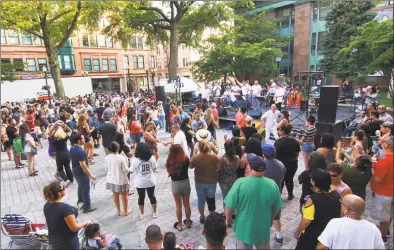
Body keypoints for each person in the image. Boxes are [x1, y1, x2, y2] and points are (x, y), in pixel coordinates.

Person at [225, 153, 282, 249]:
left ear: (250, 168)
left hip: (243, 229)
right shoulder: (272, 184)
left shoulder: (240, 182)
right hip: (263, 228)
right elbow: (277, 207)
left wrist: (227, 221)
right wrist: (270, 219)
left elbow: (229, 207)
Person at [294, 169, 341, 250]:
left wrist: (297, 232)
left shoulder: (312, 200)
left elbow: (306, 221)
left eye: (312, 179)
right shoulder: (336, 195)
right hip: (328, 234)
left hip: (312, 236)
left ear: (314, 182)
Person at [317, 194, 385, 249]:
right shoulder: (373, 229)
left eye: (341, 203)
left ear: (346, 209)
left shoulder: (335, 223)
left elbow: (322, 247)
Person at [43, 181, 89, 249]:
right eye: (63, 187)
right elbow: (74, 228)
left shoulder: (47, 205)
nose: (65, 188)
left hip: (53, 241)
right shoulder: (65, 208)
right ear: (59, 193)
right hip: (67, 244)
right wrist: (85, 223)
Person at [370, 136, 393, 245]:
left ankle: (382, 237)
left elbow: (377, 179)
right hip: (389, 192)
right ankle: (386, 231)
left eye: (384, 141)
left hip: (384, 193)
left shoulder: (385, 161)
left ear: (387, 145)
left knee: (384, 217)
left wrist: (371, 172)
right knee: (388, 214)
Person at [261, 144, 286, 246]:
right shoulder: (281, 164)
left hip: (263, 197)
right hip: (276, 195)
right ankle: (279, 237)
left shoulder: (261, 165)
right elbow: (283, 177)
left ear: (263, 154)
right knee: (276, 217)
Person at [190, 140, 220, 224]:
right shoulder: (214, 157)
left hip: (199, 182)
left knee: (201, 199)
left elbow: (191, 166)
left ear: (199, 147)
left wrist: (194, 152)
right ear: (209, 147)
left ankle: (202, 217)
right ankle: (211, 216)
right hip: (212, 182)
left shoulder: (195, 157)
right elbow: (219, 168)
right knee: (211, 199)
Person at [165, 145, 192, 231]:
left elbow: (169, 171)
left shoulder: (169, 161)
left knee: (178, 205)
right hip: (185, 183)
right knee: (187, 204)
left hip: (175, 184)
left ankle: (180, 225)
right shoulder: (186, 160)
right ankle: (188, 222)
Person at [70, 134, 96, 213]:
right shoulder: (79, 151)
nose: (84, 139)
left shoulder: (72, 148)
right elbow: (83, 165)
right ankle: (87, 207)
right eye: (82, 138)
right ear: (78, 141)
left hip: (75, 170)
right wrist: (91, 175)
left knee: (80, 187)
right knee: (85, 189)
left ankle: (80, 204)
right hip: (81, 171)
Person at [131, 142, 158, 219]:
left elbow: (131, 170)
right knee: (152, 196)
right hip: (150, 181)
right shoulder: (151, 158)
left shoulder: (135, 159)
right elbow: (154, 167)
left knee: (141, 197)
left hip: (140, 183)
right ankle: (155, 212)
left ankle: (142, 214)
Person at [274, 124, 300, 200]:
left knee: (281, 180)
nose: (279, 131)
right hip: (293, 163)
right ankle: (290, 194)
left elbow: (275, 154)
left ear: (283, 131)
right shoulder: (294, 140)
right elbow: (298, 152)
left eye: (280, 130)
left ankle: (279, 196)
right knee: (289, 179)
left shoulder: (278, 142)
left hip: (281, 164)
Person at [105, 141, 131, 216]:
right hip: (121, 179)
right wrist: (130, 169)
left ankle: (119, 211)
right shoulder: (121, 158)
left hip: (111, 179)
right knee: (124, 195)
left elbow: (106, 169)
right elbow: (125, 170)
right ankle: (126, 211)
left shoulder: (107, 157)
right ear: (118, 148)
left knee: (115, 194)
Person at [218, 140, 242, 212]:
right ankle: (233, 213)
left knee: (225, 198)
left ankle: (226, 214)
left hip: (223, 181)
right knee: (233, 197)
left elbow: (219, 169)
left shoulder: (221, 159)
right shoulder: (237, 158)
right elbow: (238, 167)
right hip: (233, 181)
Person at [48, 121, 73, 185]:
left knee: (60, 169)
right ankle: (71, 178)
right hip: (67, 153)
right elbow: (70, 131)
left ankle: (66, 179)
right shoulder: (65, 137)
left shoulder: (53, 139)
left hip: (59, 155)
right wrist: (64, 125)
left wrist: (55, 124)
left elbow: (49, 132)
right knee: (67, 166)